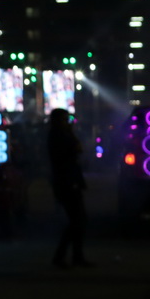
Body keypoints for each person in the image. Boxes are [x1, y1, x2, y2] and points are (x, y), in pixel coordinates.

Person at [47, 108, 92, 268]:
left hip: (68, 181)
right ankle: (65, 257)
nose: (68, 123)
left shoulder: (58, 135)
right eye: (65, 120)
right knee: (77, 220)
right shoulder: (59, 136)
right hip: (67, 182)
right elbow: (75, 150)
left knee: (78, 220)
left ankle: (73, 256)